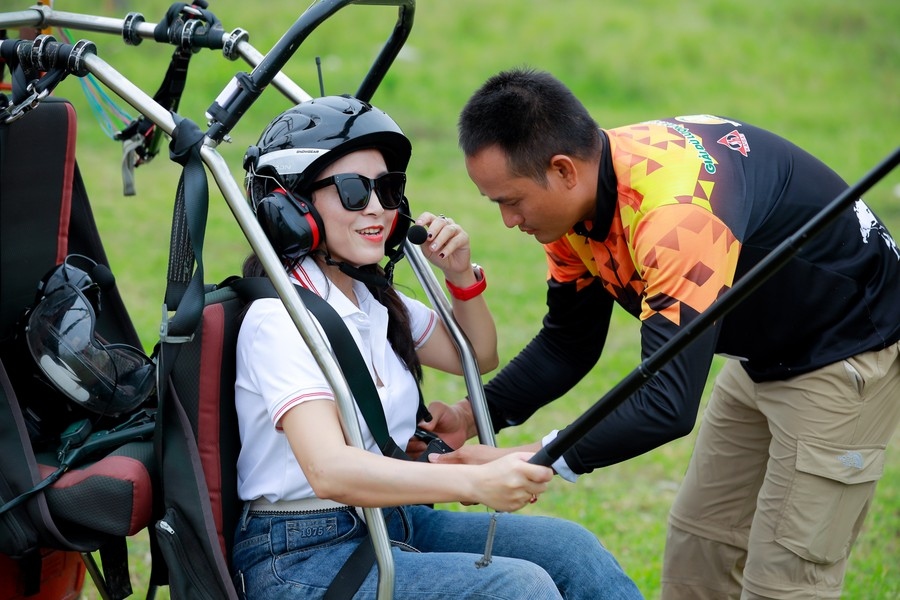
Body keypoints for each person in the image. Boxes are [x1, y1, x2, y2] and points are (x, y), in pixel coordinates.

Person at [418, 68, 900, 599]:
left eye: (511, 201)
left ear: (562, 169)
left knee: (784, 579)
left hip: (845, 353)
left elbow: (667, 404)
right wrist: (471, 414)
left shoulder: (677, 218)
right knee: (702, 547)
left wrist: (539, 459)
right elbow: (568, 342)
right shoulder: (573, 210)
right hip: (763, 352)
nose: (509, 220)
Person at [231, 95, 642, 600]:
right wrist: (470, 484)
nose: (378, 207)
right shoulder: (281, 319)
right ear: (290, 205)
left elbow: (478, 353)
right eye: (354, 191)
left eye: (388, 189)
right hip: (300, 553)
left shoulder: (371, 298)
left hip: (393, 519)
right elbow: (329, 469)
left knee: (572, 550)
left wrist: (459, 276)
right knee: (519, 588)